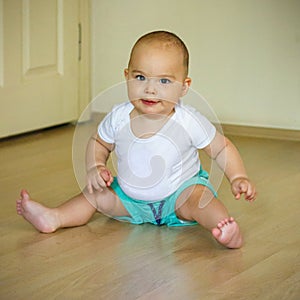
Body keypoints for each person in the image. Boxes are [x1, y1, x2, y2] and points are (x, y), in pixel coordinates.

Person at [16, 30, 256, 249]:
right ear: (127, 76)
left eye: (164, 81)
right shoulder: (118, 117)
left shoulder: (188, 121)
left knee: (200, 200)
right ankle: (54, 217)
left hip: (179, 196)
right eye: (140, 77)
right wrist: (95, 166)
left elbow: (221, 148)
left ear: (184, 87)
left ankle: (225, 228)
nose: (150, 89)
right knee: (96, 195)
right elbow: (99, 143)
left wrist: (237, 176)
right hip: (131, 200)